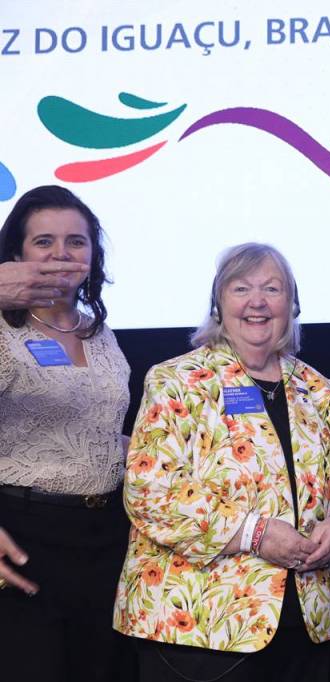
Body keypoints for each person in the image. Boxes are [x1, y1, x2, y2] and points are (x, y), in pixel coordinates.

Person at [114, 243, 330, 682]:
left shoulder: (318, 388)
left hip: (307, 624)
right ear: (218, 302)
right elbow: (149, 491)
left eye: (272, 289)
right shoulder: (177, 381)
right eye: (241, 288)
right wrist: (255, 533)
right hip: (200, 627)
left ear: (292, 304)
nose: (257, 302)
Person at [0, 185, 132, 681]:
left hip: (106, 539)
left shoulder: (98, 332)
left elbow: (99, 431)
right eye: (44, 241)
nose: (61, 254)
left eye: (76, 242)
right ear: (15, 256)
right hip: (24, 539)